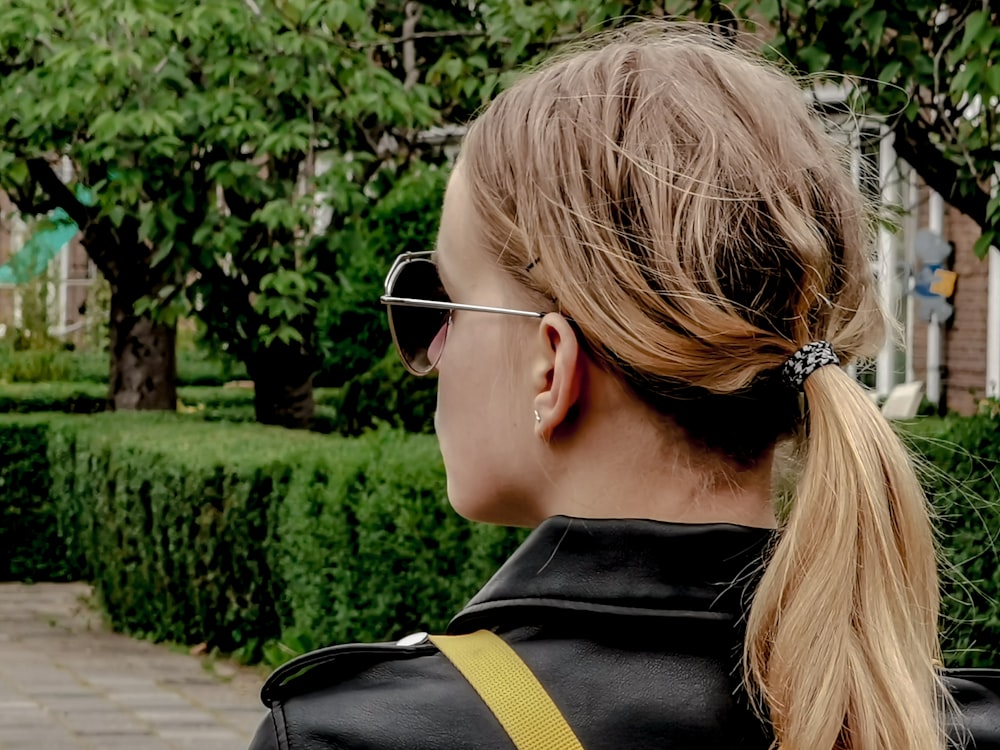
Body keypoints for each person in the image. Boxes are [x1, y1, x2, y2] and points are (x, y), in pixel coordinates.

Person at [249, 24, 1000, 750]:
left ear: (552, 366)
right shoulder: (948, 727)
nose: (433, 351)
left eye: (436, 304)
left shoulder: (354, 736)